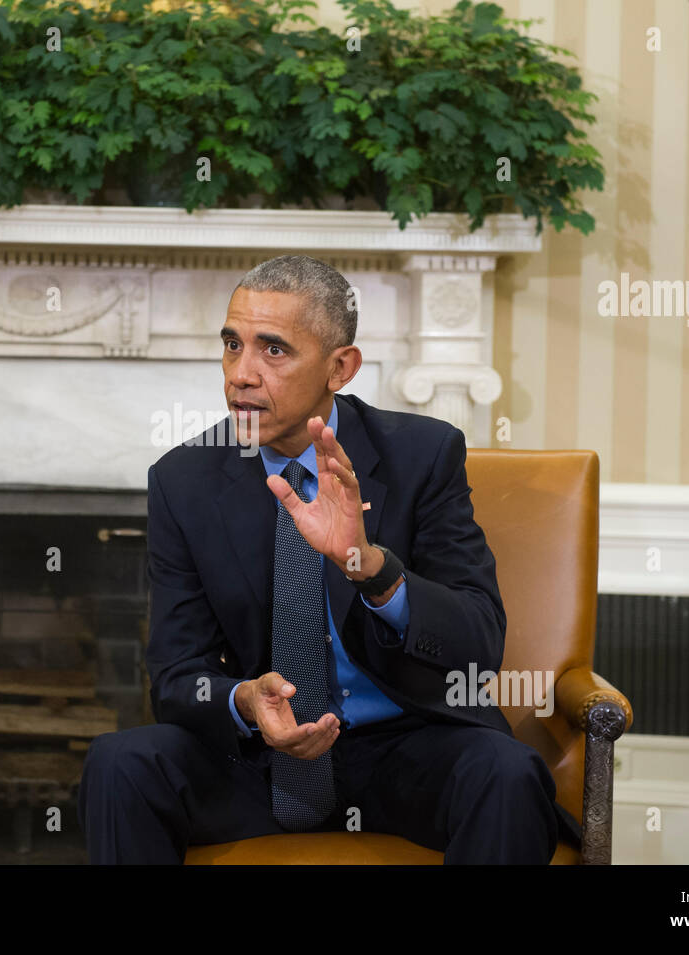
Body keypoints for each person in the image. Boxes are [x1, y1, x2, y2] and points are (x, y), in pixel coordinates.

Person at [79, 254, 581, 864]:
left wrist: (371, 566)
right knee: (121, 764)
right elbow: (176, 676)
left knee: (507, 773)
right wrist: (244, 702)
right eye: (232, 345)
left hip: (403, 750)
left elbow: (478, 642)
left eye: (273, 350)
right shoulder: (184, 481)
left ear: (340, 367)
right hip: (257, 759)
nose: (240, 374)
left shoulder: (422, 456)